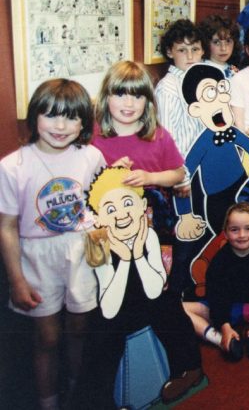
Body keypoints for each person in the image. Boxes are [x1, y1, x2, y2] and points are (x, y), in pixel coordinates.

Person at [0, 79, 105, 410]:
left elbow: (99, 203)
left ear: (84, 122)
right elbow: (6, 227)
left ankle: (76, 393)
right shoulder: (12, 166)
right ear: (34, 117)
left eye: (71, 117)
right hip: (36, 256)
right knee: (47, 337)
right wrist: (17, 280)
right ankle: (48, 401)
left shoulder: (91, 156)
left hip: (80, 250)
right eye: (51, 115)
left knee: (79, 328)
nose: (61, 126)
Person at [76, 167, 203, 407]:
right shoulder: (98, 243)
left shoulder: (149, 236)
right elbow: (110, 307)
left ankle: (188, 369)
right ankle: (100, 401)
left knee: (170, 308)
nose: (122, 214)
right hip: (115, 306)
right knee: (101, 334)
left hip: (148, 298)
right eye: (110, 209)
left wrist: (137, 255)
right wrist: (124, 260)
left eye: (127, 203)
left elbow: (155, 290)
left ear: (142, 206)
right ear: (100, 216)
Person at [92, 61, 185, 235]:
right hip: (109, 225)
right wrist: (110, 174)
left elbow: (178, 174)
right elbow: (84, 184)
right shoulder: (93, 138)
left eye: (137, 96)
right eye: (120, 94)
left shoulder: (158, 135)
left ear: (148, 101)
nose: (129, 104)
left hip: (153, 224)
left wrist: (150, 177)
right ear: (106, 97)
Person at [183, 203, 249, 361]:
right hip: (228, 309)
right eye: (234, 230)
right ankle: (219, 338)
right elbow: (216, 298)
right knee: (178, 309)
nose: (242, 235)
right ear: (226, 233)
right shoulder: (219, 261)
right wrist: (224, 326)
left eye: (248, 229)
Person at [154, 19, 206, 159]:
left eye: (195, 49)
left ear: (202, 51)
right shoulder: (167, 89)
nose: (190, 56)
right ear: (170, 52)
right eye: (182, 50)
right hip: (181, 169)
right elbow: (166, 141)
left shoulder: (201, 82)